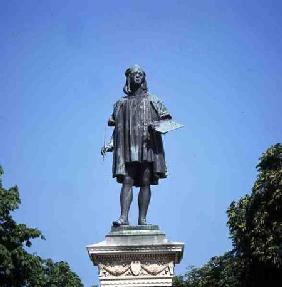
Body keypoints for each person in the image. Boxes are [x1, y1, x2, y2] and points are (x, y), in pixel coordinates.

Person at [101, 65, 172, 226]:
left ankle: (142, 219)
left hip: (147, 144)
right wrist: (111, 144)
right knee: (128, 179)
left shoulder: (153, 99)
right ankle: (123, 217)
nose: (137, 76)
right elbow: (118, 128)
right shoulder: (121, 103)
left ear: (144, 77)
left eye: (140, 74)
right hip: (127, 146)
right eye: (134, 74)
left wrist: (158, 127)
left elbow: (167, 121)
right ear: (128, 78)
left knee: (146, 180)